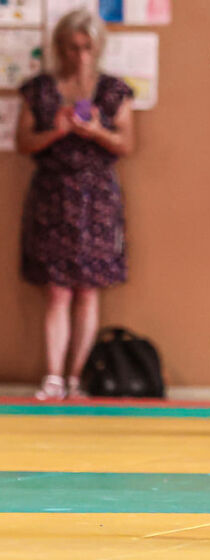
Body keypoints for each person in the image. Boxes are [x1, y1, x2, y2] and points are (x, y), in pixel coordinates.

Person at [15, 8, 134, 401]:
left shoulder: (114, 90)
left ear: (97, 48)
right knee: (57, 290)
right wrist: (59, 130)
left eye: (86, 48)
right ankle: (52, 377)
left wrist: (97, 131)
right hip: (52, 197)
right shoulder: (40, 89)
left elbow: (126, 145)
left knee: (88, 289)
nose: (79, 56)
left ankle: (77, 378)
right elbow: (24, 144)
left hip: (97, 200)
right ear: (59, 47)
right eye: (71, 48)